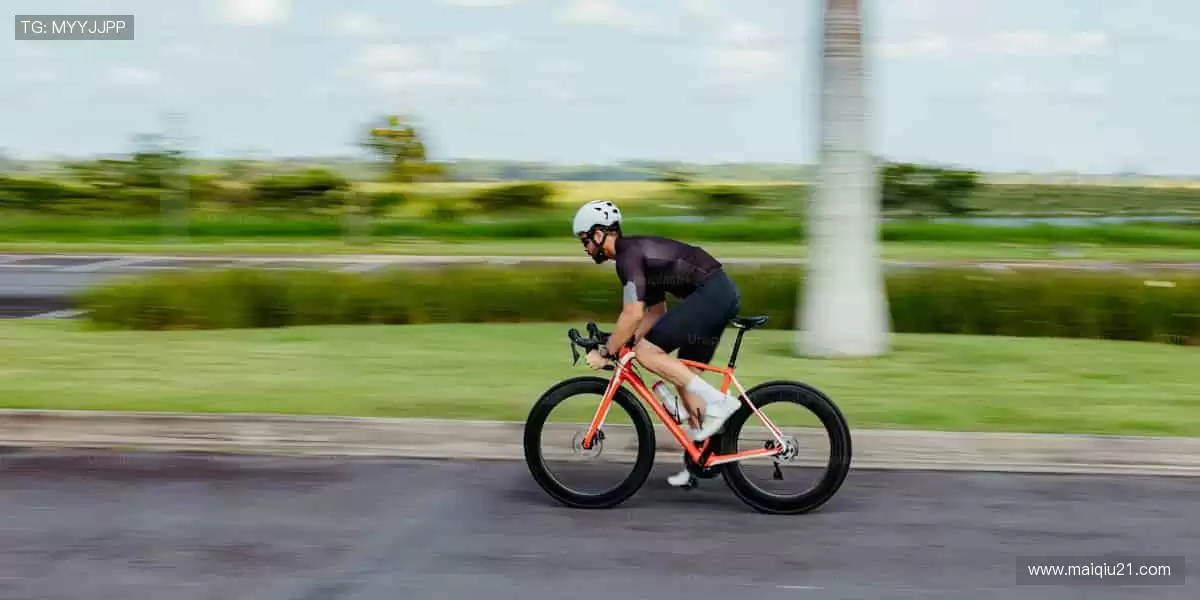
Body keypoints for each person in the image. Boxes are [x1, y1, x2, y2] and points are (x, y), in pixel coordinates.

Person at [572, 199, 742, 487]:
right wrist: (624, 341)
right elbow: (654, 312)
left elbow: (632, 312)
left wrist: (608, 351)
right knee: (684, 374)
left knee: (648, 353)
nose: (585, 247)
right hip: (716, 294)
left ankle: (719, 403)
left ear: (601, 234)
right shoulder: (632, 256)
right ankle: (702, 455)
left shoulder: (628, 257)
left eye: (586, 240)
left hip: (711, 293)